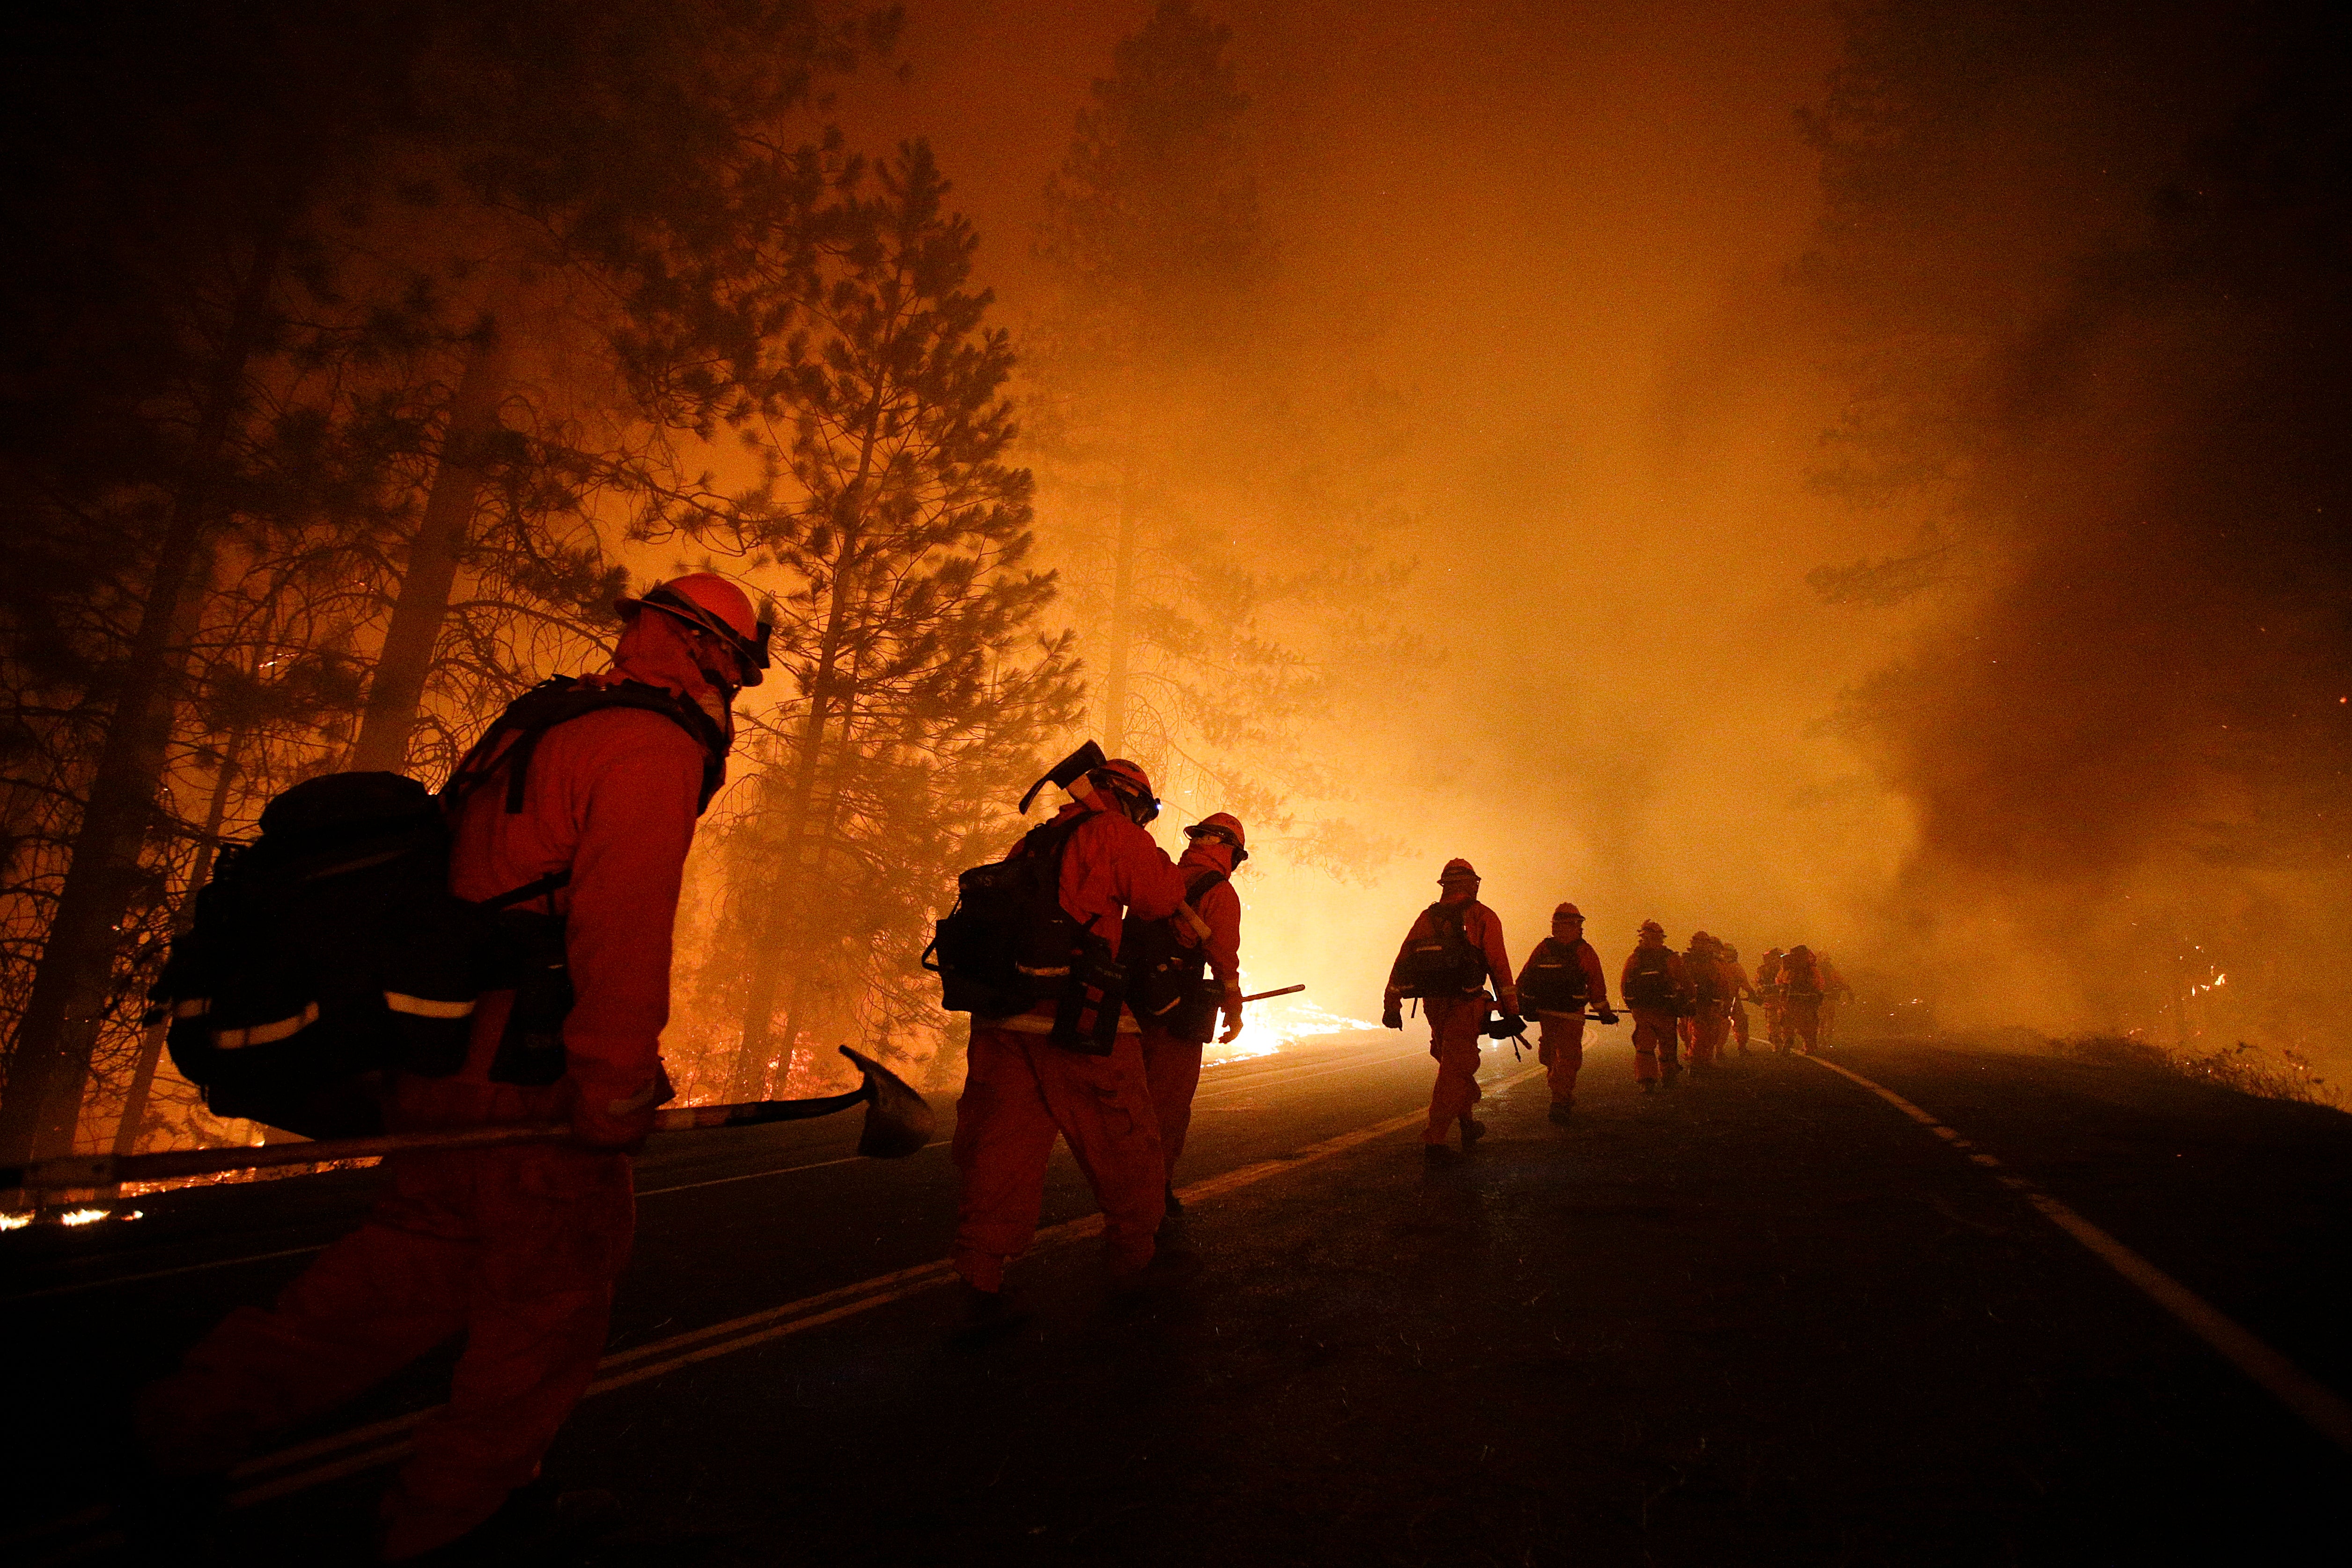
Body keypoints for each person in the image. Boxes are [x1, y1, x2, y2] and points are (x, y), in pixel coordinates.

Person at [136, 573, 763, 1561]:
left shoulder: (552, 719)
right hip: (531, 1069)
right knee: (550, 1302)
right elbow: (621, 924)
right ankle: (456, 1521)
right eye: (739, 663)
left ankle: (186, 1427)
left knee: (404, 1269)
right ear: (713, 652)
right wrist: (612, 1081)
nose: (736, 686)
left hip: (440, 1053)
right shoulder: (651, 743)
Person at [950, 755, 1190, 1319]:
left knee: (1001, 1152)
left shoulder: (1033, 842)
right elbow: (1157, 897)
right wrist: (1143, 845)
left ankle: (980, 1275)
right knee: (1125, 1137)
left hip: (1003, 1020)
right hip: (1077, 1018)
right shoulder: (1114, 831)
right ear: (1130, 799)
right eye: (1147, 811)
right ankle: (1136, 1263)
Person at [1131, 812, 1247, 1217]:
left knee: (1131, 1102)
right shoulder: (1219, 893)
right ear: (1229, 851)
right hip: (1177, 1012)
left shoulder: (1161, 878)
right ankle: (1151, 1197)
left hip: (1132, 1004)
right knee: (1168, 1105)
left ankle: (1124, 1190)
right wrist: (1233, 1007)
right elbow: (1223, 958)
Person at [1382, 858, 1516, 1154]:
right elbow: (1499, 966)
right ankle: (1436, 1138)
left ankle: (1467, 1121)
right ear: (1472, 884)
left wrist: (1391, 1004)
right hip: (1465, 1004)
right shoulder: (1483, 916)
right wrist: (1512, 1010)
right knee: (1458, 1067)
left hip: (1434, 1003)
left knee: (1453, 1063)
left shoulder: (1428, 918)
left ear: (1444, 886)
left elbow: (1403, 962)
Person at [1515, 902, 1614, 1123]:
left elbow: (1524, 978)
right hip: (1571, 1013)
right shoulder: (1584, 951)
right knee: (1568, 1056)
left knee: (1550, 1052)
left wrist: (1521, 1003)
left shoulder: (1543, 949)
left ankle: (1558, 1091)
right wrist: (1605, 1013)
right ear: (1577, 925)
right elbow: (1596, 985)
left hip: (1546, 1012)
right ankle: (1560, 1100)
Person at [1619, 921, 1688, 1091]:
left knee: (1646, 1046)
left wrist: (1631, 1004)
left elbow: (1624, 984)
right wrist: (1687, 1002)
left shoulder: (1635, 959)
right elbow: (1685, 982)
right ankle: (1668, 1075)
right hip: (1664, 1010)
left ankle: (1648, 1080)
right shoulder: (1670, 959)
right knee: (1666, 1044)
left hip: (1647, 1010)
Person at [1683, 931, 1730, 1071]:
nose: (1703, 946)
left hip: (1712, 1002)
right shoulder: (1686, 961)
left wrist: (1725, 1001)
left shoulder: (1716, 962)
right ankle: (1695, 1062)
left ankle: (1705, 1060)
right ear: (1694, 943)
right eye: (1700, 942)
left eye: (1705, 943)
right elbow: (1680, 980)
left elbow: (1723, 982)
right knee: (1698, 1032)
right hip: (1695, 1002)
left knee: (1712, 1033)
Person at [1781, 944, 1828, 1055]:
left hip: (1793, 1000)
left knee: (1789, 1022)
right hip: (1808, 1001)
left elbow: (1782, 981)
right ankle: (1809, 1046)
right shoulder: (1811, 969)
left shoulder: (1789, 969)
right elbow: (1820, 983)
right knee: (1808, 1024)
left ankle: (1788, 1041)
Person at [1720, 942, 1760, 1056]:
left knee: (1724, 1023)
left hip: (1722, 999)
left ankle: (1719, 1050)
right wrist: (1753, 994)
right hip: (1729, 999)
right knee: (1737, 1023)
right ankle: (1739, 1047)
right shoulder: (1734, 967)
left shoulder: (1716, 965)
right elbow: (1743, 983)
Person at [1756, 947, 1791, 1053]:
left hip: (1783, 999)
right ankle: (1778, 1043)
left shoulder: (1786, 970)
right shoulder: (1763, 970)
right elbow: (1759, 984)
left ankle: (1784, 1042)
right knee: (1775, 1022)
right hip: (1771, 999)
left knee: (1784, 1021)